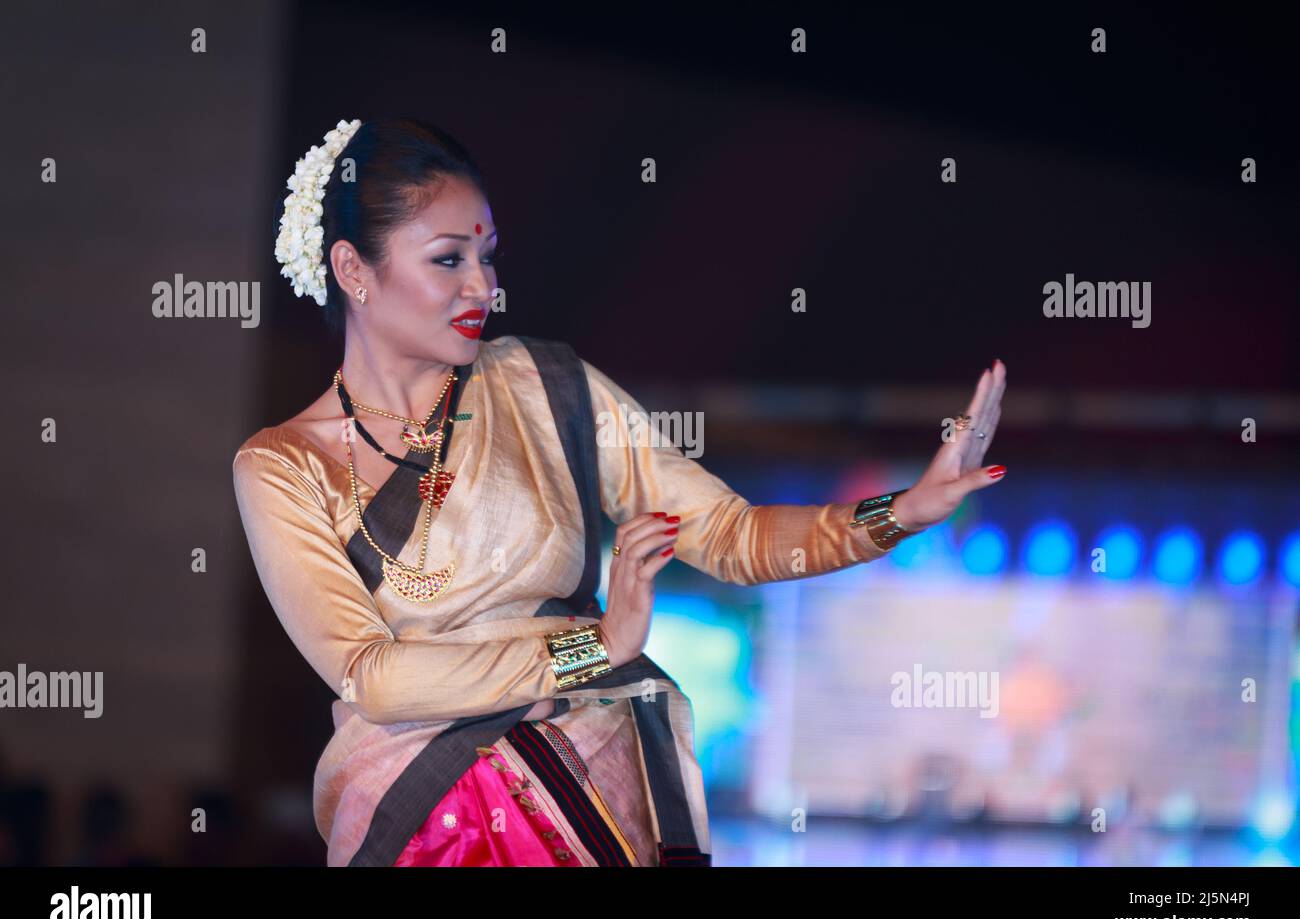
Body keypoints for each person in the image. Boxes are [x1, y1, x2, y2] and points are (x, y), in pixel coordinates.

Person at [232, 118, 1008, 867]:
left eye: (489, 256)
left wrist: (899, 512)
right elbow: (373, 676)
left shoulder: (547, 386)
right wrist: (592, 646)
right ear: (352, 270)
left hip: (594, 800)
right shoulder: (285, 465)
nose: (483, 285)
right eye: (447, 259)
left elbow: (730, 536)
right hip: (424, 824)